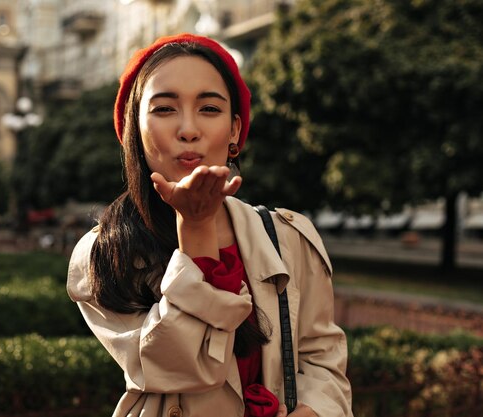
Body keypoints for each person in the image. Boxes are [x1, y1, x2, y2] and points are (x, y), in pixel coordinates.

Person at [67, 33, 353, 417]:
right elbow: (186, 368)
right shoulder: (104, 254)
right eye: (165, 109)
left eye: (209, 109)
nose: (188, 129)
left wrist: (313, 411)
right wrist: (196, 229)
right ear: (135, 129)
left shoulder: (288, 236)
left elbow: (323, 360)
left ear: (235, 131)